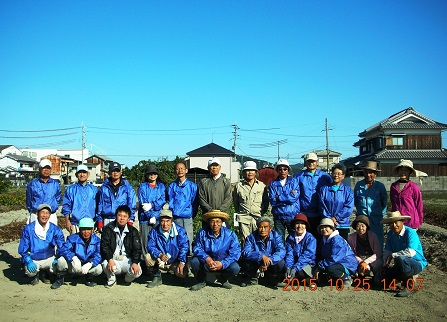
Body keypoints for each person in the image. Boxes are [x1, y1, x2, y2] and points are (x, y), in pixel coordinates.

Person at [379, 211, 427, 297]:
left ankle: (409, 285)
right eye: (391, 223)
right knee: (379, 281)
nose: (394, 225)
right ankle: (398, 277)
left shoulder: (410, 232)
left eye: (396, 222)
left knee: (402, 258)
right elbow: (387, 251)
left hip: (415, 262)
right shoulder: (391, 234)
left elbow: (411, 252)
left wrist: (393, 255)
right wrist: (385, 265)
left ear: (402, 222)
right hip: (399, 263)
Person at [190, 210, 241, 291]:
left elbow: (235, 252)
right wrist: (207, 258)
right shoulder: (202, 232)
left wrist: (222, 263)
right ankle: (201, 280)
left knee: (235, 268)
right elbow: (197, 248)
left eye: (218, 221)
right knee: (194, 262)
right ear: (209, 222)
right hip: (206, 262)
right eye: (212, 221)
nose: (215, 224)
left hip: (223, 261)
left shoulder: (230, 234)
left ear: (222, 222)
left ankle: (223, 278)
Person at [18, 203, 65, 285]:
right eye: (42, 212)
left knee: (62, 262)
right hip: (34, 259)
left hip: (49, 257)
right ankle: (35, 275)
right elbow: (23, 248)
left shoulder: (55, 229)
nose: (44, 215)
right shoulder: (28, 229)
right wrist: (28, 260)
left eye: (47, 213)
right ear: (37, 214)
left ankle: (48, 273)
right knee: (30, 271)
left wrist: (58, 257)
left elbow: (62, 246)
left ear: (50, 215)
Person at [51, 218, 103, 289]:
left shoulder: (97, 241)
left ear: (92, 230)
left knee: (99, 269)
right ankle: (59, 279)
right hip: (74, 265)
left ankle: (88, 278)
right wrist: (73, 258)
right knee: (61, 260)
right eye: (83, 229)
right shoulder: (73, 238)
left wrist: (90, 263)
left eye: (88, 229)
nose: (86, 232)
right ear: (80, 229)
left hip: (86, 266)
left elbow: (99, 254)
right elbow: (63, 249)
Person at [145, 204, 189, 288]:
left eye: (167, 221)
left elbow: (184, 247)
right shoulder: (154, 232)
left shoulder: (180, 231)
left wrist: (182, 262)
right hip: (159, 260)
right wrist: (159, 254)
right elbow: (150, 246)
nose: (165, 224)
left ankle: (177, 276)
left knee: (182, 272)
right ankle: (156, 277)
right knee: (147, 257)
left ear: (171, 221)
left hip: (175, 260)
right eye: (162, 221)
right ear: (159, 221)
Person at [100, 205, 142, 288]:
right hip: (114, 259)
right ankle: (111, 280)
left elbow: (137, 248)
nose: (122, 218)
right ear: (116, 216)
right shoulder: (108, 228)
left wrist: (135, 262)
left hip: (127, 259)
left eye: (125, 216)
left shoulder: (133, 231)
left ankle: (126, 279)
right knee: (105, 264)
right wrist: (110, 259)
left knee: (137, 272)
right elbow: (104, 246)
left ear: (128, 218)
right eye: (119, 215)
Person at [239, 216, 285, 287]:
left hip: (270, 261)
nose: (262, 229)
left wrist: (269, 260)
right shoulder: (251, 237)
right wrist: (261, 256)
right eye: (260, 227)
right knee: (246, 261)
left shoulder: (276, 236)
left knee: (281, 262)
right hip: (257, 261)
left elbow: (281, 251)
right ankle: (253, 278)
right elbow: (245, 252)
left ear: (270, 229)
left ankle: (273, 278)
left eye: (265, 227)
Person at [294, 152, 331, 238]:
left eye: (313, 161)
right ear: (305, 162)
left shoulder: (324, 176)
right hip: (304, 213)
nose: (311, 163)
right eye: (309, 161)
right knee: (306, 237)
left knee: (320, 237)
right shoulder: (298, 177)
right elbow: (295, 194)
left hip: (320, 213)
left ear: (317, 162)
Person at [354, 160, 388, 248]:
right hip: (363, 219)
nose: (369, 175)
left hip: (376, 219)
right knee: (363, 241)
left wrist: (380, 214)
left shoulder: (380, 186)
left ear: (375, 174)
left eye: (371, 173)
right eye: (367, 172)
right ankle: (364, 260)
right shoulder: (359, 185)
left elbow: (384, 202)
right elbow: (356, 201)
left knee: (377, 242)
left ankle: (379, 259)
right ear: (364, 172)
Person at [314, 218, 357, 286]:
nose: (324, 229)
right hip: (335, 263)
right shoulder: (324, 240)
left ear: (332, 228)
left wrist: (320, 266)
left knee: (330, 268)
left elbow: (334, 258)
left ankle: (346, 277)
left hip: (347, 264)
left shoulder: (337, 240)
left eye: (326, 227)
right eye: (322, 228)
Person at [233, 161, 269, 242]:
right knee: (245, 241)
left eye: (252, 170)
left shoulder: (262, 186)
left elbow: (265, 202)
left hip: (258, 218)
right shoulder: (238, 186)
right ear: (243, 172)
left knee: (258, 240)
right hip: (243, 218)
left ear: (256, 172)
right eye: (247, 170)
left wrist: (261, 212)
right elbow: (236, 202)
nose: (250, 172)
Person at [167, 161, 198, 253]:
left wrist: (192, 213)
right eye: (177, 169)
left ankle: (188, 261)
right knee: (177, 239)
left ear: (186, 170)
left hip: (188, 217)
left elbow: (195, 202)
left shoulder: (192, 186)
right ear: (175, 171)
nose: (180, 170)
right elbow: (170, 200)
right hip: (176, 217)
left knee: (188, 238)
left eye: (182, 168)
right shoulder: (172, 186)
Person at [96, 161, 137, 232]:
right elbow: (100, 205)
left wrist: (130, 219)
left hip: (123, 219)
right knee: (108, 242)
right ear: (109, 172)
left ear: (120, 172)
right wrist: (99, 221)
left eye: (117, 171)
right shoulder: (104, 188)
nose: (115, 173)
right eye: (113, 171)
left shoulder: (127, 187)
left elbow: (131, 204)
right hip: (107, 219)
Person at [318, 163, 354, 241]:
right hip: (327, 224)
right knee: (327, 246)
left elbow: (348, 207)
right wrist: (330, 218)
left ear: (343, 176)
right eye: (334, 173)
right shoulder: (324, 189)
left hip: (342, 224)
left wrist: (337, 218)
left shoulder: (347, 190)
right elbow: (322, 206)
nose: (336, 175)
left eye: (339, 174)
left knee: (341, 247)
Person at [137, 164, 166, 256]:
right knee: (145, 242)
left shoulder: (161, 187)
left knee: (158, 241)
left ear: (157, 175)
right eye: (150, 174)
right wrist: (150, 215)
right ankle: (146, 263)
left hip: (158, 218)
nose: (152, 176)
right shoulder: (142, 186)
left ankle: (158, 263)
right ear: (146, 175)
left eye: (154, 173)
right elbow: (143, 203)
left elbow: (162, 200)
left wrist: (153, 206)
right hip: (145, 219)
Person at [62, 164, 99, 235]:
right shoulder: (71, 189)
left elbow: (98, 206)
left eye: (84, 172)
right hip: (76, 224)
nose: (82, 175)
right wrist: (67, 221)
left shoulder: (94, 189)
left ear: (88, 174)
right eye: (80, 172)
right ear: (76, 175)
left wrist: (98, 221)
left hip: (90, 224)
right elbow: (66, 206)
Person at [268, 159, 300, 242]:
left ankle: (292, 255)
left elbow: (293, 199)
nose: (282, 171)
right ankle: (281, 255)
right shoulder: (273, 184)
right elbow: (273, 201)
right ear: (277, 170)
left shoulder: (294, 182)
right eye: (280, 169)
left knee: (294, 239)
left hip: (292, 215)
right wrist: (288, 195)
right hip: (278, 216)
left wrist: (279, 197)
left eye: (285, 169)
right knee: (279, 240)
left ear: (288, 170)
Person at [390, 159, 424, 230]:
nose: (403, 172)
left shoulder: (414, 187)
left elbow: (419, 205)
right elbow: (393, 204)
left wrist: (419, 221)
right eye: (401, 170)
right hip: (397, 222)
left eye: (406, 170)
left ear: (410, 172)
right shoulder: (393, 186)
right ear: (398, 171)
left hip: (411, 222)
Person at [26, 159, 61, 225]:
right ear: (39, 169)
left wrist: (54, 207)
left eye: (48, 168)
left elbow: (58, 198)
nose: (46, 171)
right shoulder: (32, 184)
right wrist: (34, 211)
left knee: (51, 234)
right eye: (44, 168)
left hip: (51, 215)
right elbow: (29, 200)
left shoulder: (55, 184)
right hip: (36, 215)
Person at [198, 158, 232, 226]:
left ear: (220, 167)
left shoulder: (226, 181)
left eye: (216, 165)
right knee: (207, 235)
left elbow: (228, 198)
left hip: (222, 215)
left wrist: (220, 210)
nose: (214, 168)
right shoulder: (203, 182)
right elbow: (201, 198)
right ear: (208, 168)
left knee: (223, 235)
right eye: (212, 166)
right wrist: (210, 210)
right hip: (208, 216)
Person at [284, 214, 317, 283]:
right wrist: (288, 267)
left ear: (305, 226)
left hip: (307, 263)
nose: (299, 226)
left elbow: (308, 255)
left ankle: (307, 279)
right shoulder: (290, 238)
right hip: (295, 263)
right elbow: (289, 254)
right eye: (297, 223)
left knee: (300, 271)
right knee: (283, 267)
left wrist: (295, 268)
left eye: (302, 224)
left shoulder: (311, 238)